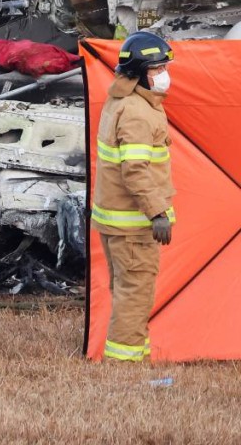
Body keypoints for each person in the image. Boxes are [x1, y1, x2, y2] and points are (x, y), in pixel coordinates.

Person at [92, 31, 176, 362]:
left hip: (116, 221)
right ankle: (123, 368)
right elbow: (136, 170)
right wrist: (157, 213)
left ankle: (134, 358)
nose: (163, 75)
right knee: (135, 295)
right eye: (156, 69)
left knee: (127, 292)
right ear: (138, 73)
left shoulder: (120, 102)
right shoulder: (138, 112)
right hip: (134, 225)